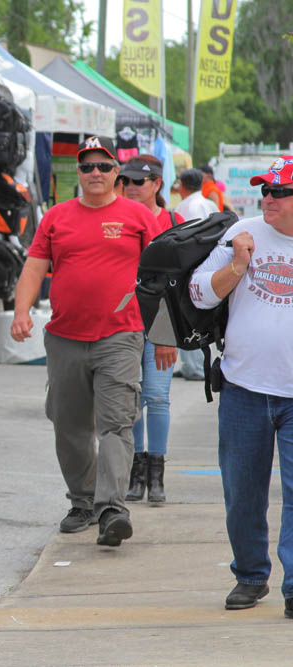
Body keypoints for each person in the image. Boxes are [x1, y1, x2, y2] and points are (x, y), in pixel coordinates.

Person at [10, 136, 160, 547]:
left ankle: (112, 508)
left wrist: (164, 336)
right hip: (64, 338)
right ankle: (83, 500)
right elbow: (34, 267)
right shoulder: (56, 217)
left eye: (104, 167)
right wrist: (21, 312)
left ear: (117, 172)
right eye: (88, 167)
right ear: (78, 173)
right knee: (70, 427)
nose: (96, 173)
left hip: (120, 336)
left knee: (115, 424)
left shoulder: (138, 217)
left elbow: (162, 280)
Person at [190, 156, 293, 616]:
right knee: (242, 492)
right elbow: (198, 292)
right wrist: (237, 263)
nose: (267, 198)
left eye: (278, 192)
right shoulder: (241, 233)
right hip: (244, 385)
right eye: (264, 190)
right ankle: (251, 575)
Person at [119, 155, 181, 504]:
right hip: (123, 324)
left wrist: (168, 332)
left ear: (157, 184)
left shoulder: (173, 221)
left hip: (160, 324)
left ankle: (156, 474)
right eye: (125, 181)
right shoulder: (117, 217)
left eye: (137, 182)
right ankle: (135, 472)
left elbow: (180, 284)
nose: (130, 188)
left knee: (157, 397)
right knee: (132, 400)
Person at [175, 168, 220, 381]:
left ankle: (193, 367)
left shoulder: (185, 207)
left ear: (182, 186)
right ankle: (195, 365)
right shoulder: (208, 204)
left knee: (185, 318)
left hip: (190, 268)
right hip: (208, 267)